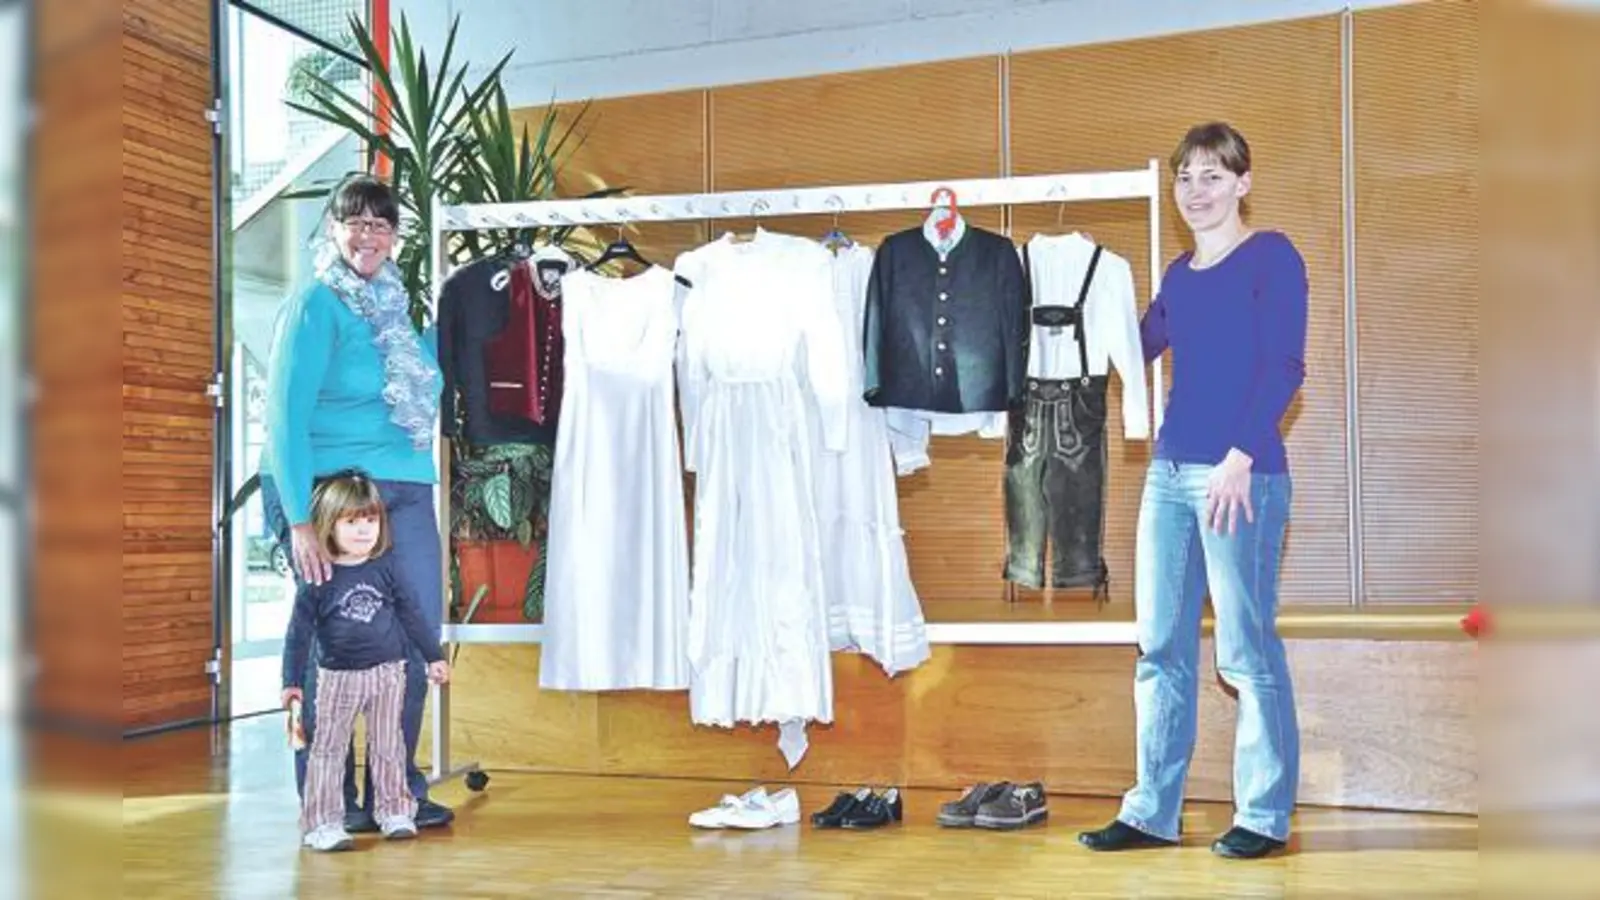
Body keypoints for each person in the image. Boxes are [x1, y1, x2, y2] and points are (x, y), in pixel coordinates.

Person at [1078, 122, 1307, 860]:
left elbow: (1284, 366)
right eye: (1185, 178)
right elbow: (1132, 344)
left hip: (1241, 474)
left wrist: (1241, 454)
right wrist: (1081, 288)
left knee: (1244, 652)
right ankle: (1151, 812)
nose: (1196, 191)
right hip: (1170, 477)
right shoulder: (1177, 276)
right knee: (1160, 648)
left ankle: (1264, 815)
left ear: (1243, 182)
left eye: (1213, 176)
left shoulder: (1271, 256)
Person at [260, 174, 454, 832]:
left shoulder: (394, 312)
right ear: (334, 230)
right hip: (332, 491)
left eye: (381, 225)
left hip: (405, 485)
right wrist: (297, 522)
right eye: (355, 223)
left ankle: (397, 792)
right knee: (337, 645)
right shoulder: (317, 304)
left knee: (414, 637)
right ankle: (329, 797)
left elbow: (425, 384)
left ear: (395, 238)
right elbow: (283, 417)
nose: (368, 236)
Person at [281, 471, 452, 851]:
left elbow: (412, 615)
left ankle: (394, 810)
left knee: (389, 745)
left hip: (389, 674)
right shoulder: (318, 577)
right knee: (327, 748)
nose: (364, 530)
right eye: (352, 521)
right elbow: (298, 636)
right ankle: (323, 822)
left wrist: (433, 657)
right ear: (329, 523)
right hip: (337, 679)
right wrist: (291, 683)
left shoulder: (387, 568)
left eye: (371, 520)